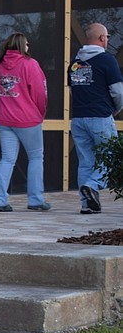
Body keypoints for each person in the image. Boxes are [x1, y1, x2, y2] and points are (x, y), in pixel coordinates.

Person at [68, 22, 123, 214]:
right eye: (107, 36)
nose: (108, 40)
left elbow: (73, 92)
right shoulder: (107, 60)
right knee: (112, 158)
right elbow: (118, 92)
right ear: (101, 38)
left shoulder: (75, 62)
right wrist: (116, 109)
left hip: (78, 119)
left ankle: (87, 204)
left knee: (85, 162)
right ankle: (92, 185)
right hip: (100, 117)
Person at [0, 33, 49, 212]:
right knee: (35, 157)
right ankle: (36, 200)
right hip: (27, 118)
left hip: (4, 117)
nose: (28, 47)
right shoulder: (30, 64)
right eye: (27, 44)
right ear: (21, 45)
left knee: (7, 159)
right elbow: (40, 92)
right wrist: (40, 113)